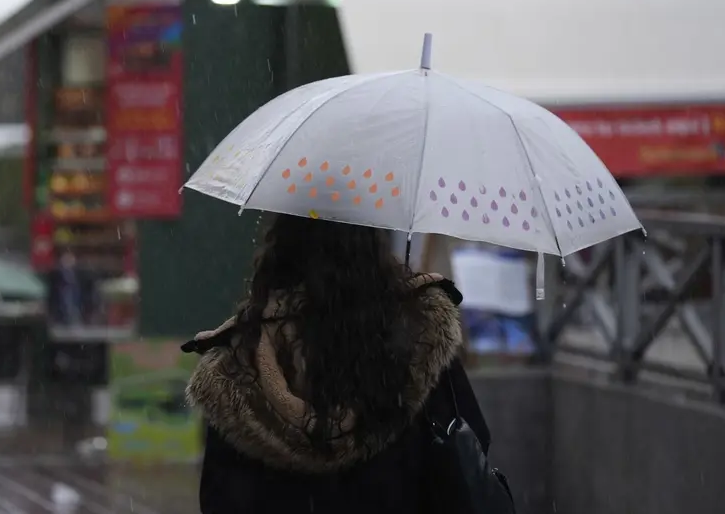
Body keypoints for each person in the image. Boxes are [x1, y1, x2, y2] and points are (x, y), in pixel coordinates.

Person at [182, 213, 492, 514]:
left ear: (280, 251)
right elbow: (469, 457)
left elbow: (219, 499)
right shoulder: (419, 338)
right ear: (375, 247)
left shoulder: (238, 364)